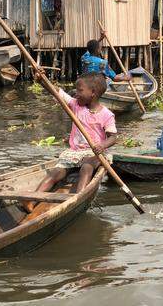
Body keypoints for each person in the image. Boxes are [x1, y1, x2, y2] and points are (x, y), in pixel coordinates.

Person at [24, 72, 117, 212]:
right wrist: (42, 80)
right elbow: (56, 92)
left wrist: (101, 145)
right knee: (56, 172)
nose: (76, 93)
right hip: (74, 152)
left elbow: (113, 137)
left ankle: (79, 198)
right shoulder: (75, 105)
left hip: (94, 153)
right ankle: (32, 199)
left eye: (80, 91)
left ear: (93, 93)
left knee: (86, 167)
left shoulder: (106, 115)